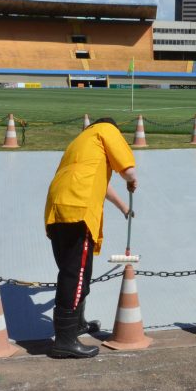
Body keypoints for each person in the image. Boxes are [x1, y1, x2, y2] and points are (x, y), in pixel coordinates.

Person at [44, 117, 137, 359]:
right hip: (78, 206)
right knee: (75, 274)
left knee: (75, 270)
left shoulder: (82, 140)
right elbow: (128, 169)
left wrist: (123, 207)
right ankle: (64, 340)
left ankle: (77, 323)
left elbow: (100, 183)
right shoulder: (106, 130)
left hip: (58, 206)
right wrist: (132, 179)